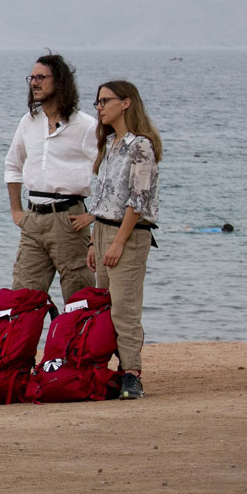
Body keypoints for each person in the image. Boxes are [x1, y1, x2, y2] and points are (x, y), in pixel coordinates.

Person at [87, 80, 161, 401]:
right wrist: (94, 241)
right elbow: (102, 198)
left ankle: (132, 374)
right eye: (98, 102)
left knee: (125, 307)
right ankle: (109, 370)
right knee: (106, 303)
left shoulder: (140, 146)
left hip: (128, 233)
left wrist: (118, 242)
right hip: (103, 230)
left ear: (126, 103)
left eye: (105, 101)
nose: (99, 107)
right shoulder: (110, 145)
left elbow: (138, 200)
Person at [4, 53, 99, 302]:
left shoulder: (86, 126)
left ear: (59, 82)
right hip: (33, 219)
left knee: (79, 297)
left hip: (69, 219)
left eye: (40, 77)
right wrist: (16, 210)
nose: (34, 83)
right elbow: (12, 165)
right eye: (31, 78)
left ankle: (79, 342)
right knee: (22, 298)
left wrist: (95, 214)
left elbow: (111, 172)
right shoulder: (29, 122)